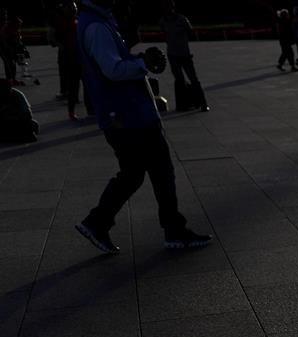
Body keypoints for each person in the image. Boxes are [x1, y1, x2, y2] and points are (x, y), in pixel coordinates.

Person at [74, 0, 210, 254]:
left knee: (133, 172)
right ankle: (173, 230)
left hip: (121, 114)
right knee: (161, 170)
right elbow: (112, 70)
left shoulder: (94, 22)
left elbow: (112, 63)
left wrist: (138, 59)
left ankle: (97, 222)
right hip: (129, 114)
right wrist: (143, 64)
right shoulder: (97, 27)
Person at [160, 1, 208, 111]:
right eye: (165, 7)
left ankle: (203, 103)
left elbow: (191, 32)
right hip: (172, 55)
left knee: (193, 79)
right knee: (179, 80)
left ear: (173, 7)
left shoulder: (182, 19)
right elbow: (165, 34)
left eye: (169, 7)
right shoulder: (162, 21)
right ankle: (185, 104)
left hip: (185, 55)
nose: (167, 9)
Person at [54, 2, 86, 119]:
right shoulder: (60, 22)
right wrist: (61, 46)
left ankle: (91, 109)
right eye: (70, 8)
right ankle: (71, 111)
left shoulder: (79, 20)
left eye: (74, 7)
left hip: (81, 57)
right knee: (73, 85)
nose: (73, 9)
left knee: (87, 84)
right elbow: (54, 39)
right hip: (69, 58)